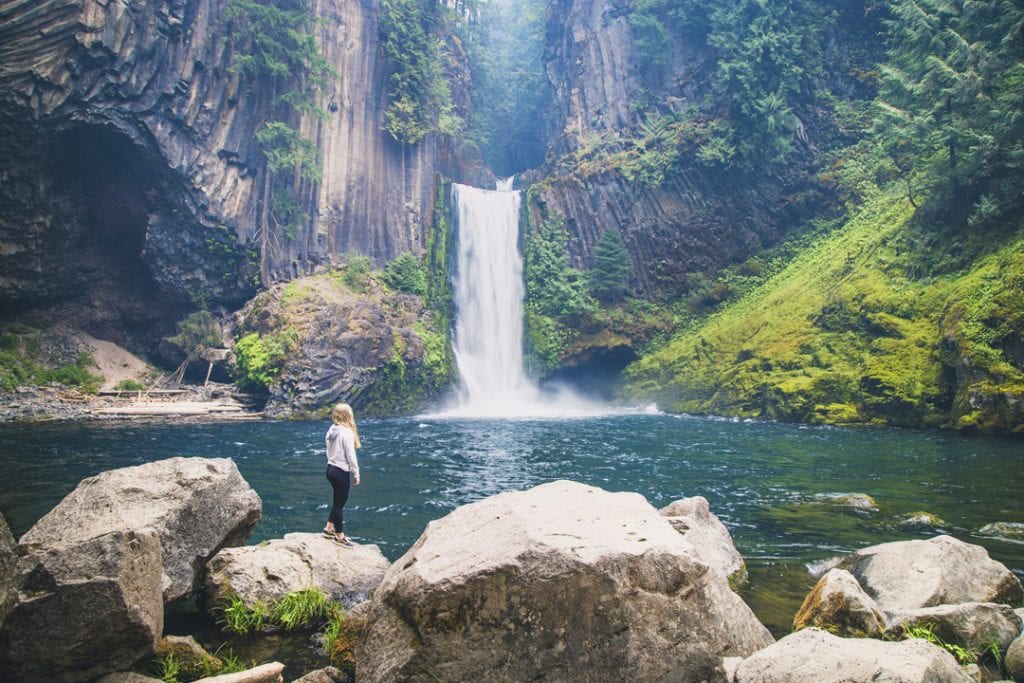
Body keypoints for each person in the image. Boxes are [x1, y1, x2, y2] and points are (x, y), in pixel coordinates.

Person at [322, 403, 361, 547]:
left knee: (337, 502)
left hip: (330, 468)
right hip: (340, 471)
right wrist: (356, 473)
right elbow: (351, 456)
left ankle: (329, 528)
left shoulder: (332, 430)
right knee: (340, 504)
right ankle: (339, 536)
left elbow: (328, 450)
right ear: (348, 415)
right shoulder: (346, 433)